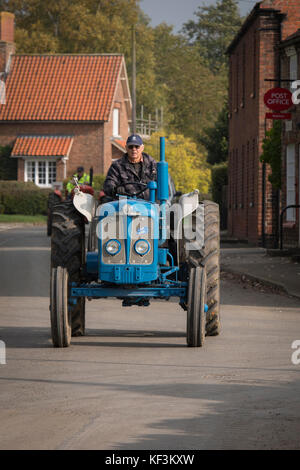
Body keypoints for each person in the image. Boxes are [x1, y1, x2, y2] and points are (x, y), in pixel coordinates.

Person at [103, 134, 157, 199]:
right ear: (126, 148)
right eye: (131, 147)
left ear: (142, 148)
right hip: (126, 205)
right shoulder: (117, 166)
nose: (134, 149)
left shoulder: (152, 165)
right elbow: (108, 184)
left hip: (149, 205)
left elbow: (163, 185)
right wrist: (116, 189)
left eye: (137, 146)